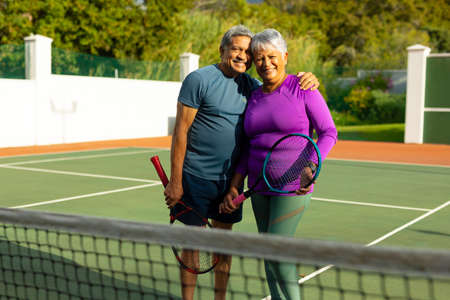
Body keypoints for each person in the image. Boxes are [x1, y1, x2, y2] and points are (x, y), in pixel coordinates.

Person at [164, 25, 320, 300]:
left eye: (247, 52)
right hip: (196, 178)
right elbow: (181, 132)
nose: (242, 56)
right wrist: (176, 182)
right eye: (235, 49)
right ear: (222, 50)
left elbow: (280, 88)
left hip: (230, 184)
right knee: (193, 249)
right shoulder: (199, 80)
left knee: (224, 249)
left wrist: (308, 78)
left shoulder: (254, 87)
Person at [219, 28, 337, 300]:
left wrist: (311, 166)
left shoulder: (302, 87)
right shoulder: (255, 96)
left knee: (276, 251)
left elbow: (329, 132)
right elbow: (249, 146)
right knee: (267, 254)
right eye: (259, 58)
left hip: (294, 186)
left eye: (272, 56)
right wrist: (235, 186)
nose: (266, 63)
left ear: (285, 56)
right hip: (259, 186)